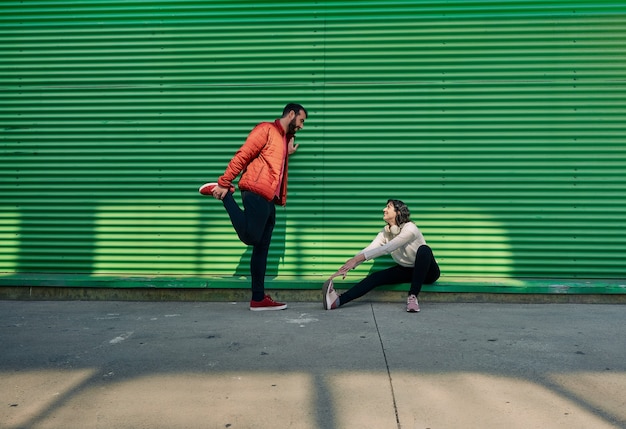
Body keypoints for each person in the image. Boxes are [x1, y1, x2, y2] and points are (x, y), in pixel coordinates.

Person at [199, 103, 308, 311]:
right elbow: (244, 155)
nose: (302, 126)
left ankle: (258, 298)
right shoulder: (265, 129)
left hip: (270, 199)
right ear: (291, 114)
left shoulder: (282, 140)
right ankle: (225, 196)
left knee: (261, 249)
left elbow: (272, 160)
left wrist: (288, 152)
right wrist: (224, 181)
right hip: (256, 192)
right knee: (250, 237)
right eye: (301, 120)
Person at [323, 199, 440, 312]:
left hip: (428, 272)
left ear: (398, 212)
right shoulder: (385, 232)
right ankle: (337, 301)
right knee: (375, 277)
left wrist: (356, 260)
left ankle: (412, 297)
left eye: (388, 207)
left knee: (424, 250)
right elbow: (370, 249)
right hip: (408, 270)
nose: (384, 209)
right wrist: (349, 264)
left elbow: (388, 248)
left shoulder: (410, 228)